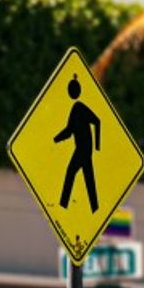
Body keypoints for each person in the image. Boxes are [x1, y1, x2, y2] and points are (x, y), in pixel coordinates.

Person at [54, 74, 101, 213]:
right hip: (83, 149)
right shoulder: (75, 109)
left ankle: (63, 206)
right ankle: (94, 208)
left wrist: (98, 145)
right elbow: (69, 131)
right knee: (89, 180)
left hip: (83, 149)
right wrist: (55, 139)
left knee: (70, 174)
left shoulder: (79, 107)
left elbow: (97, 121)